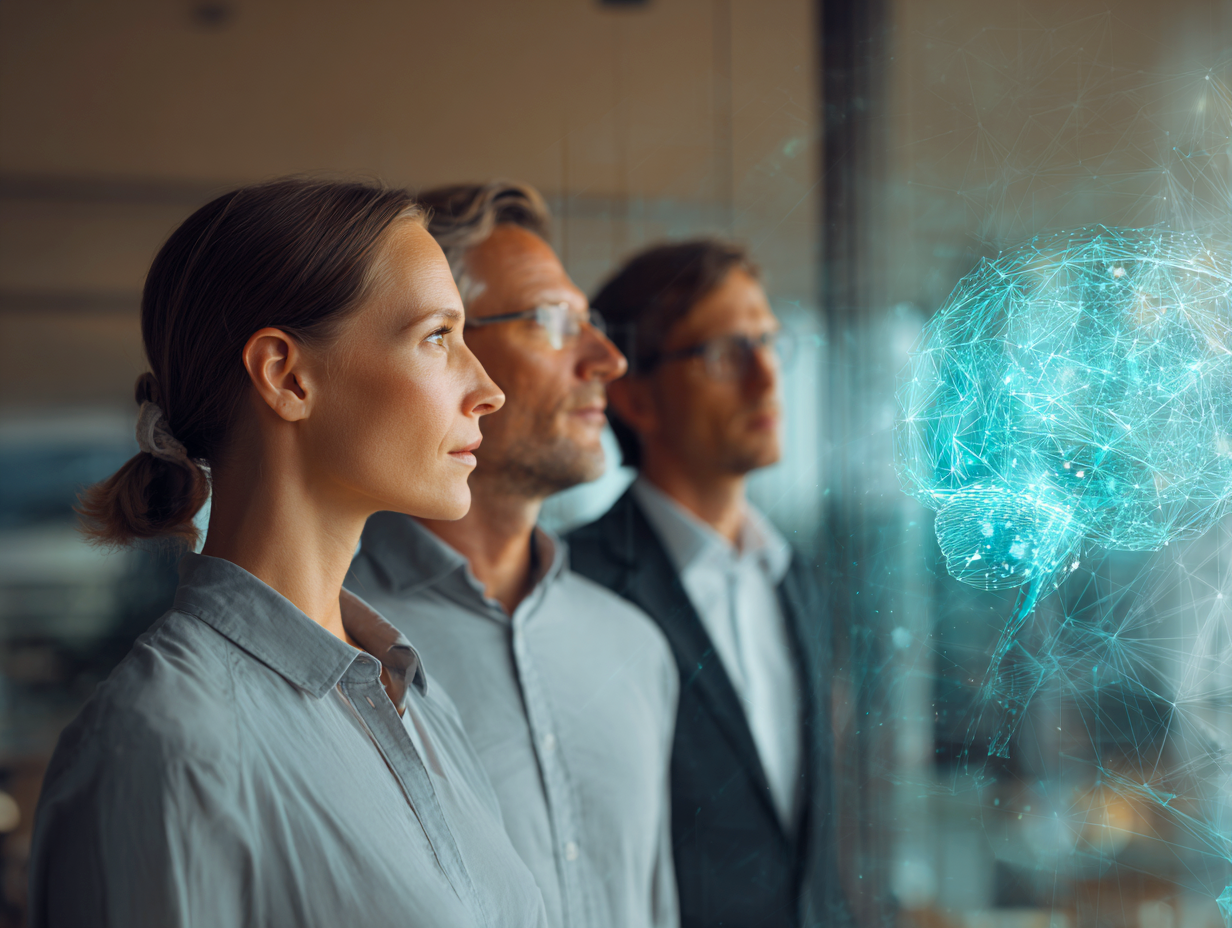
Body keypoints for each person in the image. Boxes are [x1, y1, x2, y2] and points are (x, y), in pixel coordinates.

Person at [28, 178, 547, 928]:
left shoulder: (413, 697)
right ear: (287, 376)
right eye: (438, 336)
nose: (487, 388)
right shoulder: (167, 744)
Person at [346, 181, 679, 928]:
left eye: (592, 323)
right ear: (442, 347)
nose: (608, 360)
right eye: (553, 322)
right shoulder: (329, 645)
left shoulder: (637, 649)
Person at [567, 241, 844, 928]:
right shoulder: (572, 584)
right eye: (724, 352)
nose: (766, 377)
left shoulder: (793, 574)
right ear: (634, 397)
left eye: (770, 342)